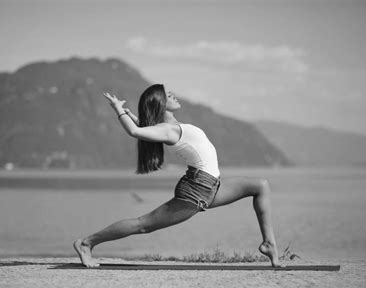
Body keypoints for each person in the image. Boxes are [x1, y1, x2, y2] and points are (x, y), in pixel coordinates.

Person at [74, 84, 283, 267]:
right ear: (160, 103)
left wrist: (133, 116)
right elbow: (136, 132)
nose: (173, 94)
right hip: (197, 190)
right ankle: (87, 242)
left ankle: (269, 244)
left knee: (261, 186)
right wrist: (119, 110)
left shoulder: (169, 127)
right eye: (167, 94)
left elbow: (147, 128)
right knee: (143, 225)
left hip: (211, 186)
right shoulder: (167, 130)